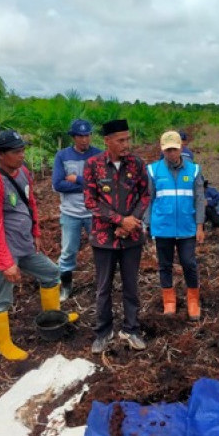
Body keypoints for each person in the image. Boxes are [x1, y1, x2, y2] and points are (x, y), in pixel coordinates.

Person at [0, 130, 75, 361]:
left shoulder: (22, 172)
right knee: (2, 298)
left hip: (25, 244)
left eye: (23, 150)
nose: (22, 155)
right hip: (4, 250)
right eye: (16, 152)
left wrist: (36, 232)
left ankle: (52, 316)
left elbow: (30, 203)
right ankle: (4, 345)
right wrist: (6, 263)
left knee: (52, 273)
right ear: (0, 154)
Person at [83, 119, 150, 354]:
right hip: (103, 238)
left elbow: (145, 195)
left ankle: (131, 329)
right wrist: (120, 221)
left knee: (131, 286)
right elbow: (91, 201)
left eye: (127, 139)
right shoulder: (93, 165)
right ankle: (103, 332)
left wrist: (131, 222)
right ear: (107, 141)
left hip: (132, 238)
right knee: (103, 287)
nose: (125, 144)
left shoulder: (137, 164)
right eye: (120, 140)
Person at [145, 130, 205, 320]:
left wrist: (200, 226)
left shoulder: (194, 170)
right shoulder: (153, 171)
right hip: (163, 227)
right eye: (167, 150)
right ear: (162, 150)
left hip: (187, 227)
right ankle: (169, 301)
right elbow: (148, 199)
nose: (171, 153)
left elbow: (199, 199)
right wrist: (147, 224)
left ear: (181, 148)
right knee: (165, 265)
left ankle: (193, 300)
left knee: (189, 263)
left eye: (174, 149)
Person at [52, 119, 102, 301]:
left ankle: (102, 286)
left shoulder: (99, 155)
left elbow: (103, 183)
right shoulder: (62, 156)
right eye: (80, 136)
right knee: (68, 251)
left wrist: (77, 180)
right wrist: (89, 185)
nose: (84, 139)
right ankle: (65, 285)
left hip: (95, 212)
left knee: (101, 248)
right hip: (70, 212)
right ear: (73, 137)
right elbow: (58, 184)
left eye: (87, 135)